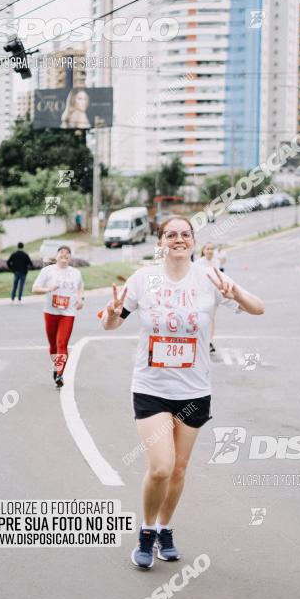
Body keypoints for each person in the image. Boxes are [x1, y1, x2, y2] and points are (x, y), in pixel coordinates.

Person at [100, 216, 264, 569]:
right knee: (161, 466)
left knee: (179, 469)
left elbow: (258, 308)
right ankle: (145, 532)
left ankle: (164, 529)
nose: (178, 239)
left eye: (184, 234)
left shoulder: (210, 277)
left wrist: (234, 293)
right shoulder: (144, 279)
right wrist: (112, 313)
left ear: (193, 240)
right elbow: (111, 322)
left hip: (194, 390)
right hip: (151, 387)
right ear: (160, 242)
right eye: (170, 234)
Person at [32, 245, 84, 387]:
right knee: (53, 345)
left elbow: (80, 287)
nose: (64, 255)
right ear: (56, 256)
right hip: (50, 312)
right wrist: (48, 289)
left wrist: (80, 299)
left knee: (62, 343)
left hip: (68, 313)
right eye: (62, 253)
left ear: (70, 258)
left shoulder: (76, 273)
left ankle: (60, 373)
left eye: (68, 253)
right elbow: (34, 289)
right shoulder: (47, 271)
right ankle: (56, 366)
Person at [197, 243, 222, 353]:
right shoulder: (198, 263)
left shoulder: (217, 262)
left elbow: (220, 276)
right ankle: (201, 340)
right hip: (202, 294)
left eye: (212, 249)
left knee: (211, 318)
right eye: (208, 249)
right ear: (203, 250)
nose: (210, 251)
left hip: (214, 293)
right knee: (202, 318)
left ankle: (209, 341)